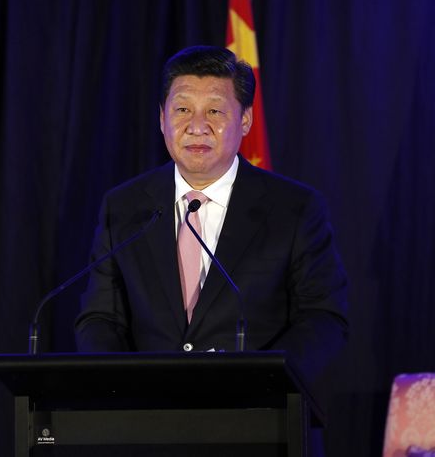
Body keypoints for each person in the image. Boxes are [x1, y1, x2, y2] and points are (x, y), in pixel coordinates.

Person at [74, 45, 348, 389]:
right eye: (183, 109)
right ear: (162, 118)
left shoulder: (295, 208)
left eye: (215, 111)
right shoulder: (124, 207)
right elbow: (100, 318)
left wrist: (264, 382)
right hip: (147, 419)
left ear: (245, 120)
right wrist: (120, 387)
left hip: (257, 421)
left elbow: (323, 318)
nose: (197, 126)